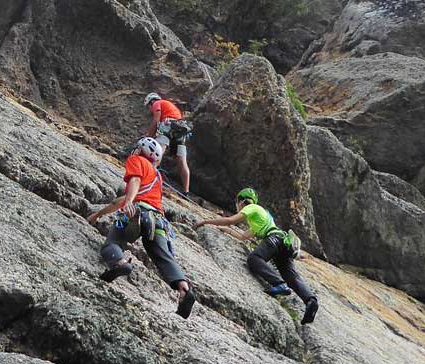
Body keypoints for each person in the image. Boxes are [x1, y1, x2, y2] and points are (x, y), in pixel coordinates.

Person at [86, 137, 196, 318]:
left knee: (113, 243)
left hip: (137, 211)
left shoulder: (136, 161)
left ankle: (120, 263)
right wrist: (98, 214)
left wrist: (129, 202)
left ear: (140, 150)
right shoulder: (157, 177)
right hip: (158, 221)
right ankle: (183, 288)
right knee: (163, 256)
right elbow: (120, 201)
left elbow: (134, 184)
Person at [196, 187, 318, 324]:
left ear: (241, 201)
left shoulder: (252, 207)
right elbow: (243, 236)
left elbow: (230, 220)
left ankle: (279, 284)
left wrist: (206, 222)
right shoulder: (260, 216)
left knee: (254, 259)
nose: (237, 206)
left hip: (274, 239)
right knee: (291, 276)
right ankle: (310, 301)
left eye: (237, 202)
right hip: (283, 243)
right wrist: (227, 231)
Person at [143, 92, 191, 193]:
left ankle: (148, 177)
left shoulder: (157, 103)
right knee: (182, 161)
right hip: (181, 130)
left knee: (158, 150)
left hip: (168, 125)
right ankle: (186, 191)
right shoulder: (171, 107)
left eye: (148, 107)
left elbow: (156, 122)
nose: (150, 110)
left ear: (151, 102)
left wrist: (148, 137)